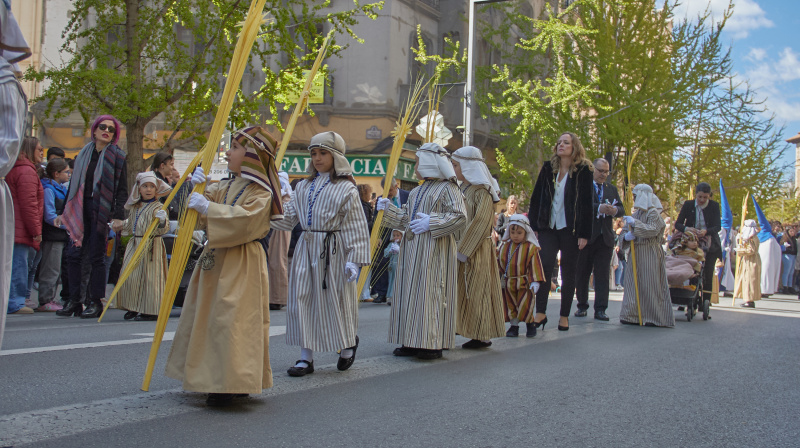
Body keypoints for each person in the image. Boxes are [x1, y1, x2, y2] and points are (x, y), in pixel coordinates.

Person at [165, 126, 283, 406]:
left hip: (241, 261)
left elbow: (248, 220)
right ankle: (212, 377)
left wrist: (209, 209)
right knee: (209, 318)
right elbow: (199, 214)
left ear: (252, 155)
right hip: (216, 258)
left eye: (236, 148)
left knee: (233, 321)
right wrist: (196, 191)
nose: (228, 152)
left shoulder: (261, 191)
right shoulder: (226, 185)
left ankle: (233, 380)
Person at [270, 131, 370, 377]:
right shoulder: (302, 186)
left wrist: (354, 260)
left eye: (323, 152)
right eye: (313, 153)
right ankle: (306, 357)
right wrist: (264, 213)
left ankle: (347, 345)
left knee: (336, 302)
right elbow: (288, 218)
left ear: (335, 156)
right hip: (306, 248)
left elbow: (356, 225)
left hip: (333, 251)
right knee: (301, 299)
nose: (317, 158)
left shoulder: (346, 188)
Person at [377, 142, 466, 360]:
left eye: (417, 161)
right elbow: (406, 218)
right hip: (411, 250)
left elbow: (460, 216)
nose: (415, 166)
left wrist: (432, 222)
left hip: (434, 251)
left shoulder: (449, 188)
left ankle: (431, 342)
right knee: (409, 294)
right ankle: (411, 339)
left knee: (430, 293)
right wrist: (388, 210)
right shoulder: (416, 191)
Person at [58, 115, 128, 318]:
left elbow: (121, 189)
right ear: (94, 130)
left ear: (114, 135)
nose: (107, 131)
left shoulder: (118, 156)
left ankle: (95, 301)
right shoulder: (82, 155)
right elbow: (73, 186)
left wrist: (117, 216)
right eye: (102, 127)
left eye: (111, 129)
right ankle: (74, 301)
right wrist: (63, 213)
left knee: (97, 257)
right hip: (79, 210)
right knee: (72, 256)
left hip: (101, 211)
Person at [527, 132, 594, 331]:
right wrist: (534, 227)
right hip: (548, 227)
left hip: (571, 230)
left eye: (566, 142)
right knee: (545, 267)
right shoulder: (548, 168)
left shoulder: (584, 171)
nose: (561, 145)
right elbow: (536, 197)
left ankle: (564, 315)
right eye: (559, 142)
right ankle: (540, 313)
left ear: (575, 147)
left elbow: (586, 204)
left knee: (568, 271)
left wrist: (584, 233)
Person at [451, 145, 505, 348]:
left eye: (456, 165)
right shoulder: (462, 188)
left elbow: (481, 222)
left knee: (478, 291)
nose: (453, 169)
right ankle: (466, 328)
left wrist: (464, 250)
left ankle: (482, 334)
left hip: (476, 250)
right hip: (462, 248)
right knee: (464, 291)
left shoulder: (482, 191)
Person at [113, 172, 171, 321]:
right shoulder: (135, 207)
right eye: (145, 186)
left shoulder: (158, 207)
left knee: (150, 279)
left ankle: (151, 310)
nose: (148, 189)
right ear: (139, 188)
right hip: (135, 244)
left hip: (152, 246)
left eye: (152, 186)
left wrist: (162, 220)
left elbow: (164, 228)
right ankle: (133, 306)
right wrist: (120, 225)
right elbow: (132, 223)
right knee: (130, 275)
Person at [574, 158, 625, 321]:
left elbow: (622, 209)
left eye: (606, 172)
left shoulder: (611, 189)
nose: (603, 174)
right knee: (582, 272)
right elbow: (578, 205)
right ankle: (582, 306)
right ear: (593, 169)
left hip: (605, 238)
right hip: (587, 236)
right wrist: (598, 208)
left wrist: (614, 210)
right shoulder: (583, 186)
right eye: (600, 171)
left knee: (602, 274)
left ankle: (601, 309)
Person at [619, 184, 674, 328]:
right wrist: (626, 237)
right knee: (632, 283)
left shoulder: (653, 213)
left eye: (636, 196)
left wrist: (635, 226)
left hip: (649, 252)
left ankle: (652, 315)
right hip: (636, 252)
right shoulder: (635, 215)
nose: (634, 198)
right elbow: (624, 232)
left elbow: (653, 230)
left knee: (650, 284)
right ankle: (632, 314)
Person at [6, 137, 43, 315]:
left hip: (13, 225)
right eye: (39, 150)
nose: (42, 153)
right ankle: (15, 301)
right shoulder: (26, 172)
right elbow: (29, 205)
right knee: (19, 265)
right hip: (20, 227)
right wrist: (36, 231)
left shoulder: (16, 168)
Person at [674, 182, 721, 310]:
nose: (702, 200)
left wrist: (706, 231)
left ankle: (705, 301)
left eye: (705, 197)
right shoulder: (688, 205)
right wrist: (686, 228)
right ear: (696, 195)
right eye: (700, 197)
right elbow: (677, 224)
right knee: (688, 269)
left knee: (707, 272)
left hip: (708, 242)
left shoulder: (714, 206)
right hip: (690, 241)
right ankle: (686, 297)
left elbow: (718, 226)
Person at [498, 214, 545, 337]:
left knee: (525, 304)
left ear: (526, 232)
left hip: (525, 282)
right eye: (513, 232)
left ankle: (530, 324)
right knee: (510, 304)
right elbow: (498, 262)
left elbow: (535, 264)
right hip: (508, 283)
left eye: (519, 233)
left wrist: (535, 281)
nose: (515, 235)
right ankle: (514, 327)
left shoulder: (531, 248)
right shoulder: (504, 247)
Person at [37, 157, 71, 311]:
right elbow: (50, 215)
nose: (68, 175)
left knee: (56, 269)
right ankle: (45, 299)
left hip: (60, 234)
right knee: (50, 268)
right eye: (66, 172)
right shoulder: (49, 189)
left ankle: (51, 298)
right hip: (53, 235)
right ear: (56, 174)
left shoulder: (61, 189)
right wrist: (67, 224)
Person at [371, 177, 408, 303]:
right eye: (386, 190)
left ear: (396, 186)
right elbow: (377, 219)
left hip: (404, 233)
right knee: (382, 261)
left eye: (390, 190)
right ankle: (382, 293)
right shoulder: (381, 199)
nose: (388, 193)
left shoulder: (407, 195)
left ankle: (400, 292)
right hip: (387, 234)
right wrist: (378, 237)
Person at [267, 172, 292, 310]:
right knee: (275, 261)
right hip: (278, 227)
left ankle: (278, 297)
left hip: (281, 228)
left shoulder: (285, 195)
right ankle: (275, 296)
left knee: (278, 261)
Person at [734, 219, 761, 308]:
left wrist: (739, 250)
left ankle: (750, 300)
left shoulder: (752, 238)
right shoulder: (750, 238)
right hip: (748, 260)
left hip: (751, 261)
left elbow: (751, 250)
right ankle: (747, 299)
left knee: (750, 280)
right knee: (746, 279)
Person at [357, 183, 375, 302]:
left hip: (363, 238)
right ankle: (363, 293)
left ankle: (362, 292)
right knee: (364, 266)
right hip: (364, 239)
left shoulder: (363, 206)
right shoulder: (364, 207)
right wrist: (375, 223)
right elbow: (364, 225)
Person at [383, 229, 402, 305]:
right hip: (391, 266)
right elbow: (386, 254)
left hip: (400, 266)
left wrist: (400, 250)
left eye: (398, 235)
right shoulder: (391, 244)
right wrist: (390, 251)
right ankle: (390, 297)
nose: (395, 237)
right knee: (391, 281)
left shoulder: (403, 244)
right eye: (394, 236)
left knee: (397, 281)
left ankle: (397, 297)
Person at [779, 227, 796, 293]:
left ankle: (790, 286)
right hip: (787, 255)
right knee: (786, 272)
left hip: (793, 255)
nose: (792, 233)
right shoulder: (785, 239)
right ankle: (784, 286)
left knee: (791, 272)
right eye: (791, 231)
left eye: (793, 231)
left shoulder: (794, 239)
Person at [613, 218, 626, 290]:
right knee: (620, 267)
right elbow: (619, 239)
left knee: (620, 267)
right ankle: (618, 283)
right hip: (619, 251)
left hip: (617, 250)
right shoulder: (621, 230)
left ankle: (618, 283)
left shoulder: (615, 230)